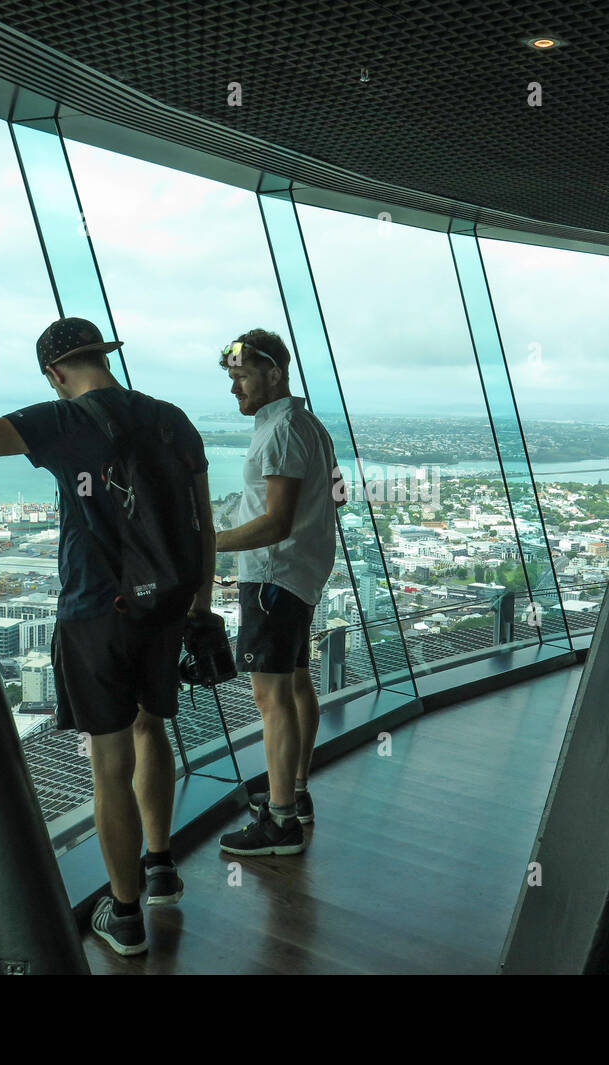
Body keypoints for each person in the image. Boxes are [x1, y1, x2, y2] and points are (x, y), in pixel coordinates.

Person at [0, 317, 215, 957]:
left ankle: (127, 914)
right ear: (101, 359)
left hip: (94, 610)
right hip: (166, 606)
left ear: (56, 374)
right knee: (153, 728)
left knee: (110, 761)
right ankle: (161, 866)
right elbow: (202, 523)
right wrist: (199, 605)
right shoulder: (173, 419)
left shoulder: (63, 422)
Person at [214, 329, 342, 856]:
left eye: (241, 376)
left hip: (272, 577)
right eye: (231, 378)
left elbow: (275, 522)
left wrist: (207, 543)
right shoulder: (304, 424)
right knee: (295, 683)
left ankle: (280, 821)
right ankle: (297, 792)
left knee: (270, 698)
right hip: (297, 575)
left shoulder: (283, 429)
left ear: (274, 373)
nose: (234, 388)